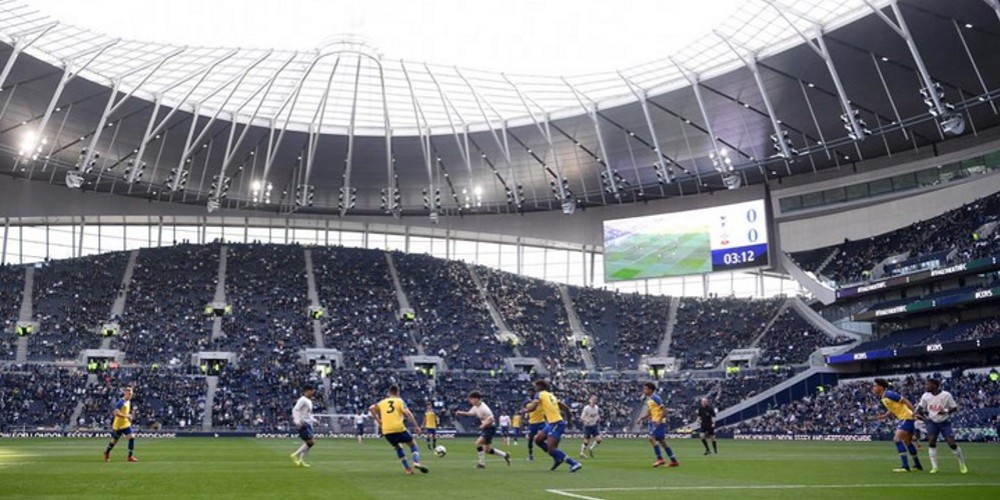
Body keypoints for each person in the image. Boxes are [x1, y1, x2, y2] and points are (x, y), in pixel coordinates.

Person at [524, 380, 582, 472]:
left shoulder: (539, 394)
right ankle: (557, 458)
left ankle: (574, 463)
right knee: (538, 440)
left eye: (536, 386)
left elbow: (532, 407)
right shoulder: (551, 396)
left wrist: (524, 410)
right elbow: (566, 408)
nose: (535, 388)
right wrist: (569, 421)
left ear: (540, 387)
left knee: (551, 448)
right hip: (552, 423)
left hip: (556, 423)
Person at [369, 385, 428, 475]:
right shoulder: (399, 401)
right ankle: (416, 462)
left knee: (398, 448)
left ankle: (408, 469)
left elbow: (371, 408)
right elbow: (408, 413)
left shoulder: (382, 402)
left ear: (389, 393)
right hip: (398, 428)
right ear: (398, 392)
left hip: (387, 430)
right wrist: (416, 426)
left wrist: (379, 421)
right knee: (413, 445)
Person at [918, 378, 968, 474]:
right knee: (931, 442)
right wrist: (924, 418)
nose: (926, 386)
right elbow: (920, 408)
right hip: (932, 422)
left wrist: (945, 411)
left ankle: (962, 464)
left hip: (945, 422)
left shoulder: (946, 395)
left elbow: (954, 408)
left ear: (935, 386)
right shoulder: (925, 396)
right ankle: (935, 467)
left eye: (928, 384)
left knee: (951, 443)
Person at [873, 378, 923, 472]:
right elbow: (893, 408)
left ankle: (905, 466)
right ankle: (917, 465)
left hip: (906, 417)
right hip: (904, 418)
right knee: (908, 442)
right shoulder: (884, 397)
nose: (873, 388)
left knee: (897, 439)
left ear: (881, 387)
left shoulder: (889, 394)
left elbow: (905, 401)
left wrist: (914, 412)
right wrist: (884, 416)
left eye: (875, 386)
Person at [455, 391, 511, 468]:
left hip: (490, 428)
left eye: (471, 399)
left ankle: (482, 464)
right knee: (487, 449)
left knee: (478, 443)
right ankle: (505, 455)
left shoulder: (484, 408)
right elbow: (471, 413)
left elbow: (491, 419)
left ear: (476, 399)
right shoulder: (476, 407)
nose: (470, 401)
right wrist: (461, 413)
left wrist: (482, 425)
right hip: (486, 428)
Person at [636, 382, 678, 468]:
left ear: (650, 390)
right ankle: (674, 460)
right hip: (653, 421)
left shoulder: (656, 398)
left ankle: (660, 459)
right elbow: (650, 412)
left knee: (651, 438)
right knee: (662, 442)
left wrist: (659, 420)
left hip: (657, 422)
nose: (644, 390)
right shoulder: (649, 400)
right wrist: (641, 418)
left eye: (645, 389)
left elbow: (663, 410)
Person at [103, 387, 138, 462]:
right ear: (125, 393)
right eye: (130, 394)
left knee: (132, 438)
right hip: (118, 426)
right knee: (114, 441)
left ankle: (130, 456)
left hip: (126, 424)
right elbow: (115, 413)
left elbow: (125, 412)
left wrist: (129, 416)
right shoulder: (121, 402)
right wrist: (127, 416)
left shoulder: (128, 401)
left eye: (131, 394)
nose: (131, 395)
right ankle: (107, 452)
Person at [290, 384, 317, 467]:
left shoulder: (309, 401)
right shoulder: (302, 399)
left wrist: (314, 420)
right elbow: (295, 409)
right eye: (312, 391)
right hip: (303, 423)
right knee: (311, 442)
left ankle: (301, 461)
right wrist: (297, 421)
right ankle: (295, 455)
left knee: (308, 443)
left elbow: (308, 413)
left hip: (309, 423)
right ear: (307, 391)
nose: (313, 392)